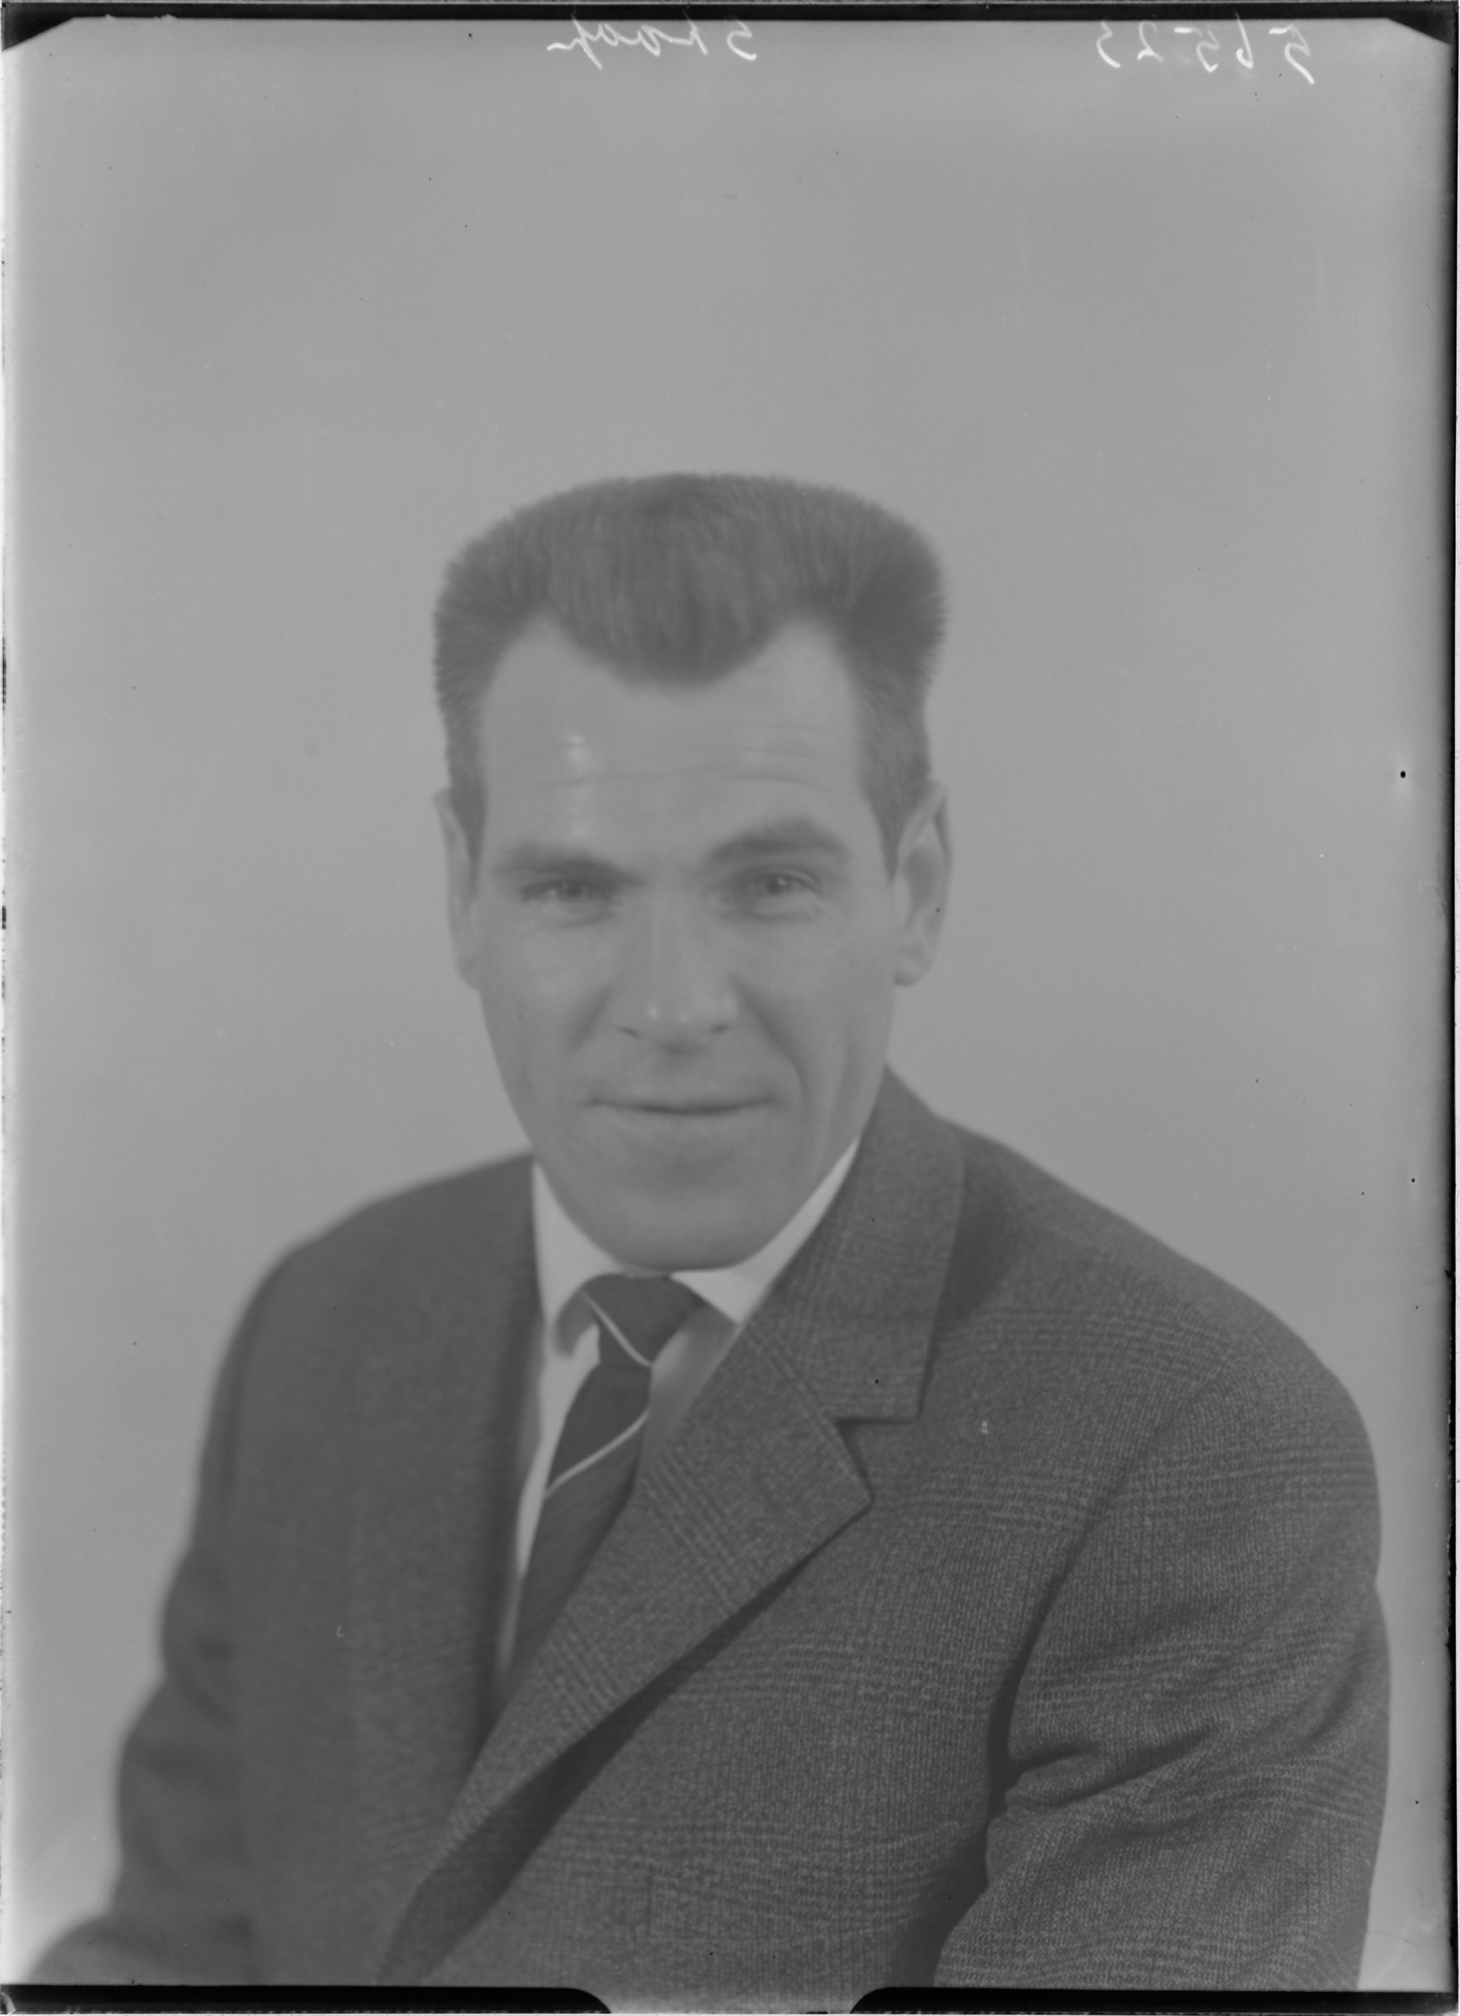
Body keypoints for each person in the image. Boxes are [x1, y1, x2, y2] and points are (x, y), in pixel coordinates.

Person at [36, 474, 1387, 1999]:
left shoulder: (1199, 1452)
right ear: (462, 894)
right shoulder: (329, 1320)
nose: (674, 1006)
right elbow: (165, 1961)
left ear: (917, 889)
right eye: (572, 888)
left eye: (770, 884)